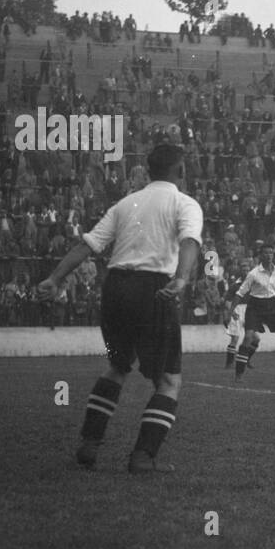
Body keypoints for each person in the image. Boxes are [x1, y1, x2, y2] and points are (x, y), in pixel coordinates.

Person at [36, 143, 203, 473]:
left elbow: (89, 244)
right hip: (154, 290)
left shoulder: (126, 203)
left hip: (115, 288)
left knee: (116, 366)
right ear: (179, 171)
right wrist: (181, 279)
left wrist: (54, 279)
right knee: (168, 380)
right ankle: (143, 456)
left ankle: (89, 444)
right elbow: (189, 242)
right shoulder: (185, 203)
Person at [228, 245, 275, 381]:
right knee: (248, 337)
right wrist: (231, 311)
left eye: (271, 253)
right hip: (255, 306)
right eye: (266, 253)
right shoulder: (253, 273)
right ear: (261, 255)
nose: (269, 255)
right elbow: (240, 293)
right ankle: (239, 374)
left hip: (273, 305)